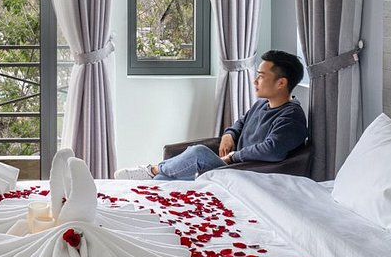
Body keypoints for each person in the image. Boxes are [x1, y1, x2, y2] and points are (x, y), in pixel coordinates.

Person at [126, 50, 308, 181]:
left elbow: (272, 150)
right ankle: (150, 188)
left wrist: (234, 156)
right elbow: (241, 123)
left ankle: (152, 170)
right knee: (164, 181)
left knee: (198, 153)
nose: (255, 81)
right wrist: (229, 134)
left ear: (281, 83)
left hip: (247, 174)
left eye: (261, 76)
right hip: (234, 167)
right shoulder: (262, 104)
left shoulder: (291, 117)